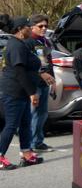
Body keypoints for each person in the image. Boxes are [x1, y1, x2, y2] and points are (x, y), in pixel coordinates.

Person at [0, 16, 44, 169]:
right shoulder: (15, 46)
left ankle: (26, 154)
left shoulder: (20, 44)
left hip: (22, 92)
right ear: (20, 30)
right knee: (11, 125)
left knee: (25, 124)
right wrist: (32, 92)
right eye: (27, 26)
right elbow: (20, 72)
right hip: (14, 92)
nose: (29, 28)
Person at [26, 14, 56, 152]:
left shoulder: (46, 41)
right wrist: (40, 73)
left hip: (45, 84)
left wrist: (53, 81)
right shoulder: (28, 42)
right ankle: (30, 145)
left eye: (46, 26)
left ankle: (38, 142)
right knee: (33, 114)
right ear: (32, 27)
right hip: (33, 83)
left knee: (43, 114)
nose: (44, 28)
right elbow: (26, 65)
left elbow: (49, 63)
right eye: (40, 26)